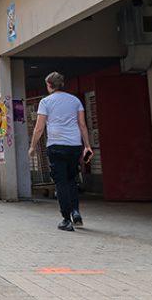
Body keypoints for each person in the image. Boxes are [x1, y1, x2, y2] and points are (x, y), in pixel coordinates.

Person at [28, 72, 93, 232]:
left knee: (61, 182)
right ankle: (76, 212)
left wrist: (32, 146)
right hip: (74, 145)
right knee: (72, 179)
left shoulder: (45, 102)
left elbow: (39, 128)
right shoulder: (75, 100)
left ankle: (66, 219)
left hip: (56, 145)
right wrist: (87, 145)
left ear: (49, 85)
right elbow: (82, 125)